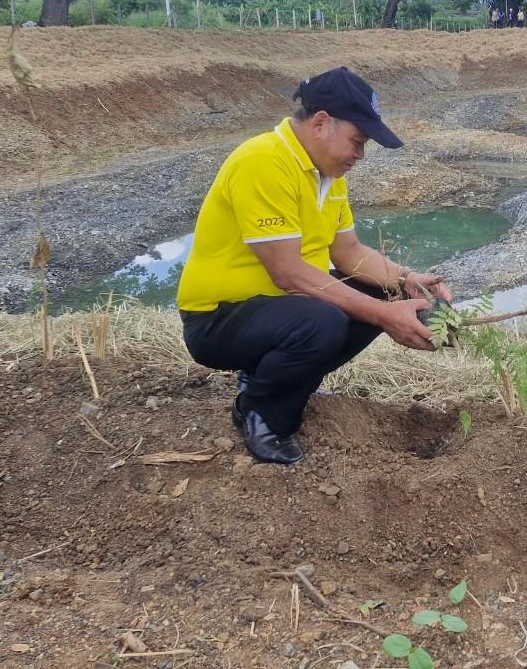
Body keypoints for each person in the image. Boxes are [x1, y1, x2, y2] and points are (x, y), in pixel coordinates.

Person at [177, 68, 452, 464]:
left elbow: (351, 254)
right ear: (321, 123)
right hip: (216, 320)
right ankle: (260, 412)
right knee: (323, 321)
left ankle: (282, 378)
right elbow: (288, 274)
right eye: (358, 141)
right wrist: (385, 316)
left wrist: (407, 281)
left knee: (376, 289)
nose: (360, 155)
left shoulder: (327, 174)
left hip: (274, 310)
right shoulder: (264, 161)